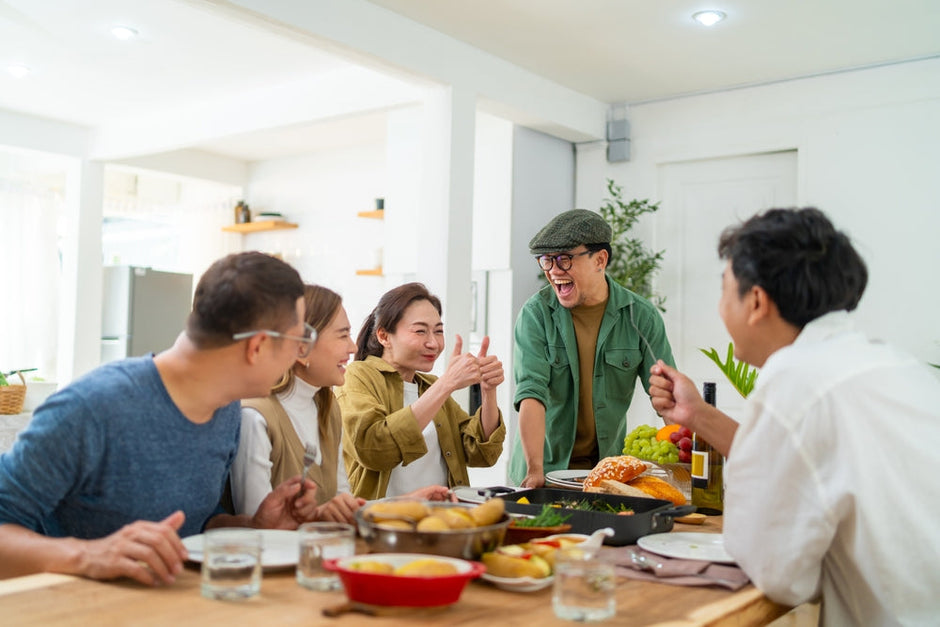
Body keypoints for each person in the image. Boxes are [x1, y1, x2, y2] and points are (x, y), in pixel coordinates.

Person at [648, 207, 940, 625]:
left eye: (724, 289)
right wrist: (697, 415)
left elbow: (781, 576)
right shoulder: (894, 367)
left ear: (756, 301)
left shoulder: (793, 379)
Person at [0, 252, 323, 586]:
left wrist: (252, 528)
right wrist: (89, 556)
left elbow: (193, 524)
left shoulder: (226, 408)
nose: (300, 354)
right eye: (299, 340)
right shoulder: (92, 407)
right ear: (257, 347)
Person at [230, 285, 452, 524]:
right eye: (342, 335)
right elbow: (258, 528)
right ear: (302, 346)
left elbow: (343, 506)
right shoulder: (255, 418)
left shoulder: (327, 407)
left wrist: (405, 503)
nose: (353, 347)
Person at [510, 209, 675, 487]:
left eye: (564, 260)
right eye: (546, 261)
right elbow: (531, 393)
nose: (553, 271)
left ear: (600, 259)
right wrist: (535, 469)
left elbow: (666, 397)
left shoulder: (640, 316)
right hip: (542, 473)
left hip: (607, 475)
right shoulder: (536, 315)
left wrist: (686, 460)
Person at [336, 282, 506, 500]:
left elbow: (480, 453)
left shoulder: (431, 386)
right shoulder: (358, 376)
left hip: (441, 519)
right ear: (384, 336)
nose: (433, 343)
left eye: (438, 331)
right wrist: (446, 384)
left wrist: (488, 391)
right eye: (420, 331)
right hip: (384, 523)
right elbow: (372, 449)